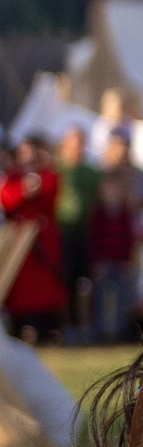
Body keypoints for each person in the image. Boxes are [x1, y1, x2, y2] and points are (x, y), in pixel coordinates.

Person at [2, 134, 69, 340]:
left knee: (46, 286)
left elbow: (50, 194)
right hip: (20, 241)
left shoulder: (47, 175)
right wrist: (24, 189)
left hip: (42, 239)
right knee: (20, 288)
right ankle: (22, 325)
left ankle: (46, 326)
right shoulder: (14, 177)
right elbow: (7, 199)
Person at [88, 132, 143, 345]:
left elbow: (131, 232)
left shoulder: (137, 174)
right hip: (104, 259)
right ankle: (100, 332)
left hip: (123, 256)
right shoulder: (100, 211)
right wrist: (97, 260)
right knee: (102, 297)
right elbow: (95, 237)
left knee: (125, 295)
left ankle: (122, 331)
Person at [54, 124, 99, 339]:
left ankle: (86, 326)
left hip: (86, 234)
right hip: (62, 234)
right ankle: (67, 325)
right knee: (66, 280)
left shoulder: (91, 172)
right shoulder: (57, 170)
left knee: (87, 281)